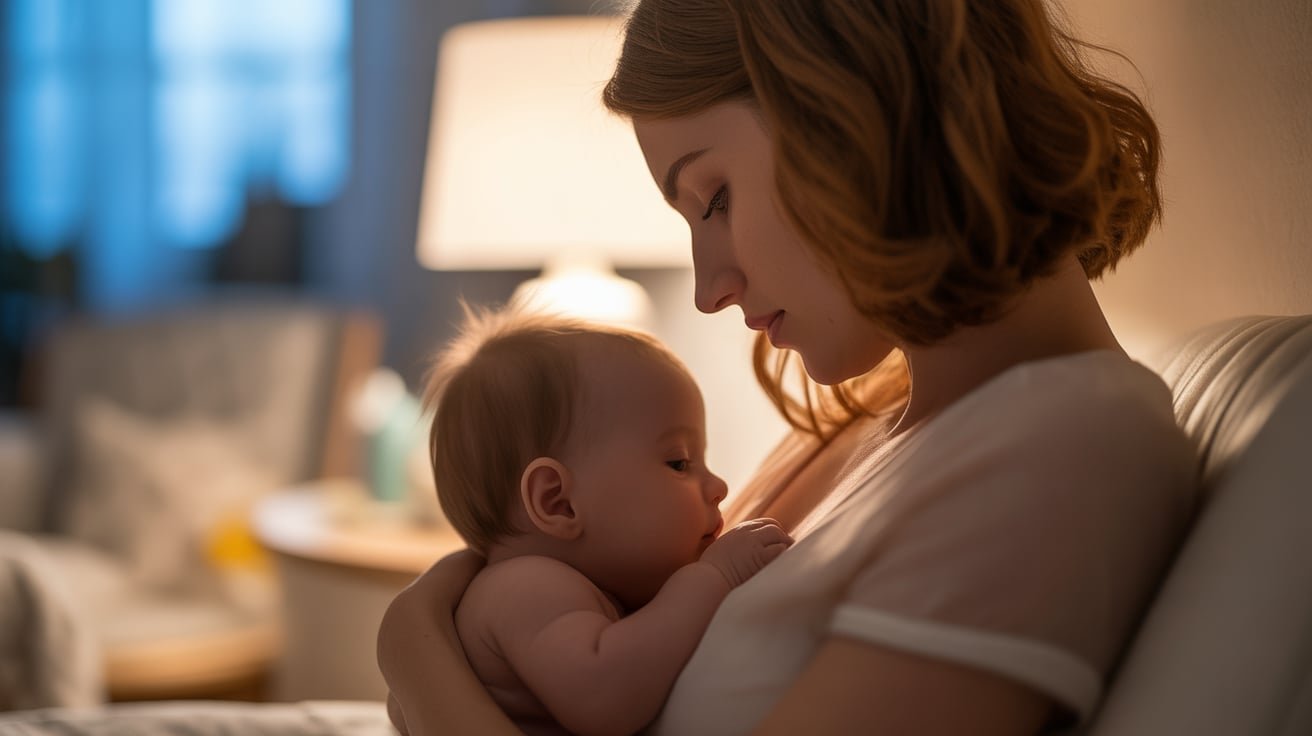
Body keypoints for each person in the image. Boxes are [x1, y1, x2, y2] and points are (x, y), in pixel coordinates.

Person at [378, 1, 1198, 733]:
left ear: (857, 110)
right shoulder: (867, 413)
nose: (708, 290)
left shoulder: (1062, 445)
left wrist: (413, 650)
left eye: (714, 198)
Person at [403, 307, 792, 736]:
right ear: (558, 502)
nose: (718, 486)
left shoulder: (583, 585)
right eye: (679, 462)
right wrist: (713, 576)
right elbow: (607, 699)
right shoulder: (525, 587)